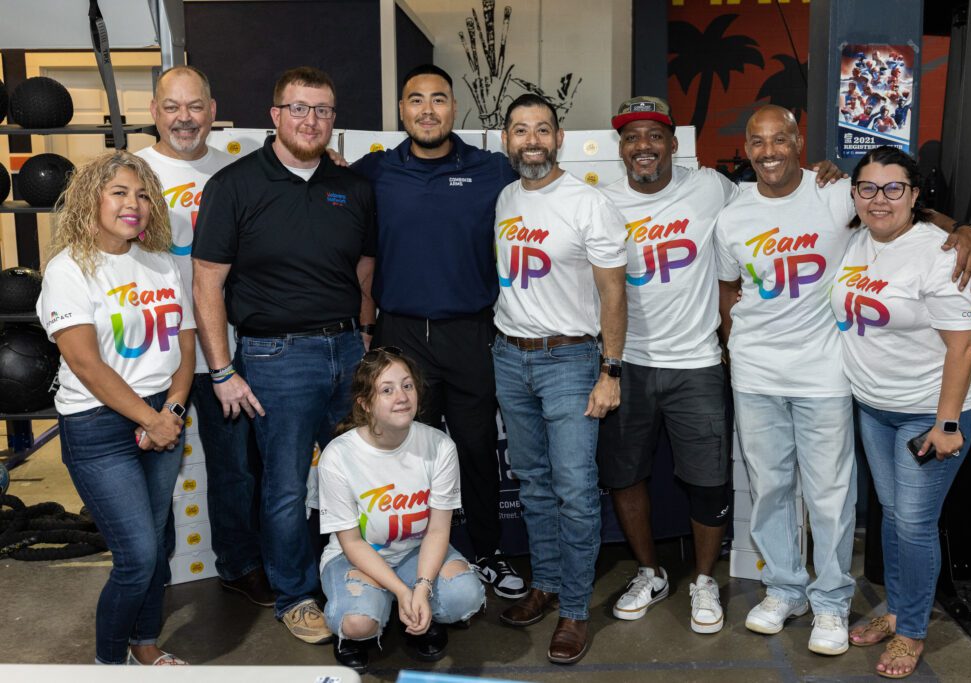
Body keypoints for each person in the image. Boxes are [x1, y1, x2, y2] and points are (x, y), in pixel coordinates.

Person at [715, 106, 971, 657]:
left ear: (797, 140)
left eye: (780, 139)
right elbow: (727, 292)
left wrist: (966, 230)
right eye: (758, 141)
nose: (769, 151)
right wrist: (734, 347)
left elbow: (909, 209)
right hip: (760, 372)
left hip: (826, 375)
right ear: (746, 147)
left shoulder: (834, 193)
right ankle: (785, 589)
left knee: (833, 496)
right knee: (769, 489)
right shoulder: (734, 213)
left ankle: (832, 602)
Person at [599, 97, 844, 634]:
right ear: (621, 146)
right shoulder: (599, 201)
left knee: (714, 482)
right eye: (632, 136)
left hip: (701, 362)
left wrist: (959, 230)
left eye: (655, 135)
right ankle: (650, 572)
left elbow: (789, 199)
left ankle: (709, 580)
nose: (644, 145)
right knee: (626, 475)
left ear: (673, 143)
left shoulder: (713, 188)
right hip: (631, 362)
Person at [191, 66, 377, 643]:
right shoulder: (235, 185)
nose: (311, 120)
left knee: (360, 475)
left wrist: (366, 337)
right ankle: (294, 595)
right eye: (299, 108)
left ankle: (360, 579)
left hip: (348, 350)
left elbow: (364, 268)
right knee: (284, 486)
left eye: (322, 110)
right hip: (275, 357)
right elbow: (206, 282)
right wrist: (222, 370)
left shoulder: (352, 186)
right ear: (275, 116)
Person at [350, 64, 525, 600]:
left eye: (439, 99)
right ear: (402, 111)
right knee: (407, 456)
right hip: (400, 338)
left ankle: (488, 552)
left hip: (471, 334)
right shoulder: (374, 172)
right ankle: (406, 562)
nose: (428, 110)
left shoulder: (492, 169)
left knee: (474, 449)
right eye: (416, 100)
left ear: (455, 108)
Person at [35, 151, 195, 665]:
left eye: (143, 194)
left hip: (163, 413)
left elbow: (185, 346)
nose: (134, 204)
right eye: (120, 193)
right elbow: (84, 363)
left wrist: (168, 411)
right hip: (100, 425)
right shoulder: (68, 269)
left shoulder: (162, 261)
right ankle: (108, 664)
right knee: (137, 555)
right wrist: (149, 420)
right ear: (91, 201)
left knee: (159, 545)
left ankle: (145, 645)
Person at [832, 146, 971, 679]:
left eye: (894, 188)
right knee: (893, 518)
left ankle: (913, 631)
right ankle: (896, 609)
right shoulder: (855, 240)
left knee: (915, 525)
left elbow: (964, 345)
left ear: (915, 196)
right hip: (876, 408)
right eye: (868, 188)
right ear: (854, 194)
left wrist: (946, 425)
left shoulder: (941, 254)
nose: (880, 199)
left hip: (930, 412)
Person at [492, 93, 627, 664]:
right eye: (521, 130)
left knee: (574, 489)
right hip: (508, 354)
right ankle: (545, 583)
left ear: (559, 137)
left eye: (542, 129)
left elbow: (613, 292)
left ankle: (574, 608)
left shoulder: (588, 203)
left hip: (570, 361)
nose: (532, 140)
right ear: (506, 141)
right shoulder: (504, 196)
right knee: (533, 482)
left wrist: (610, 370)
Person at [135, 65, 272, 607]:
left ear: (213, 111)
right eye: (172, 107)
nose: (184, 118)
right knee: (152, 473)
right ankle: (150, 575)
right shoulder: (131, 172)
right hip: (154, 353)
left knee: (235, 466)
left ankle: (239, 564)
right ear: (154, 111)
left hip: (223, 350)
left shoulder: (236, 172)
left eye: (195, 107)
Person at [318, 348, 486, 672]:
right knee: (357, 623)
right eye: (387, 389)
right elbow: (351, 543)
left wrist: (421, 588)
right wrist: (401, 589)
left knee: (466, 597)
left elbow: (438, 530)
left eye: (407, 385)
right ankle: (370, 621)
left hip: (415, 551)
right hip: (357, 556)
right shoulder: (338, 456)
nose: (402, 397)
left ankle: (416, 612)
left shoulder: (439, 446)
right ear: (365, 404)